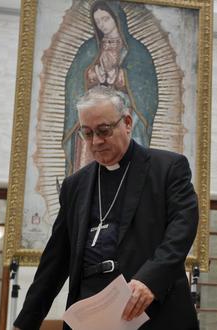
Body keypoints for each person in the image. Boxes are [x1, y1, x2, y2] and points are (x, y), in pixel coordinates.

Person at [14, 86, 199, 330]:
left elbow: (181, 230)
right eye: (87, 134)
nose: (96, 142)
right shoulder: (75, 186)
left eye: (104, 130)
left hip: (149, 309)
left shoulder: (167, 168)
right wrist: (25, 323)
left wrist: (150, 281)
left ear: (128, 122)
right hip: (90, 312)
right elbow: (55, 260)